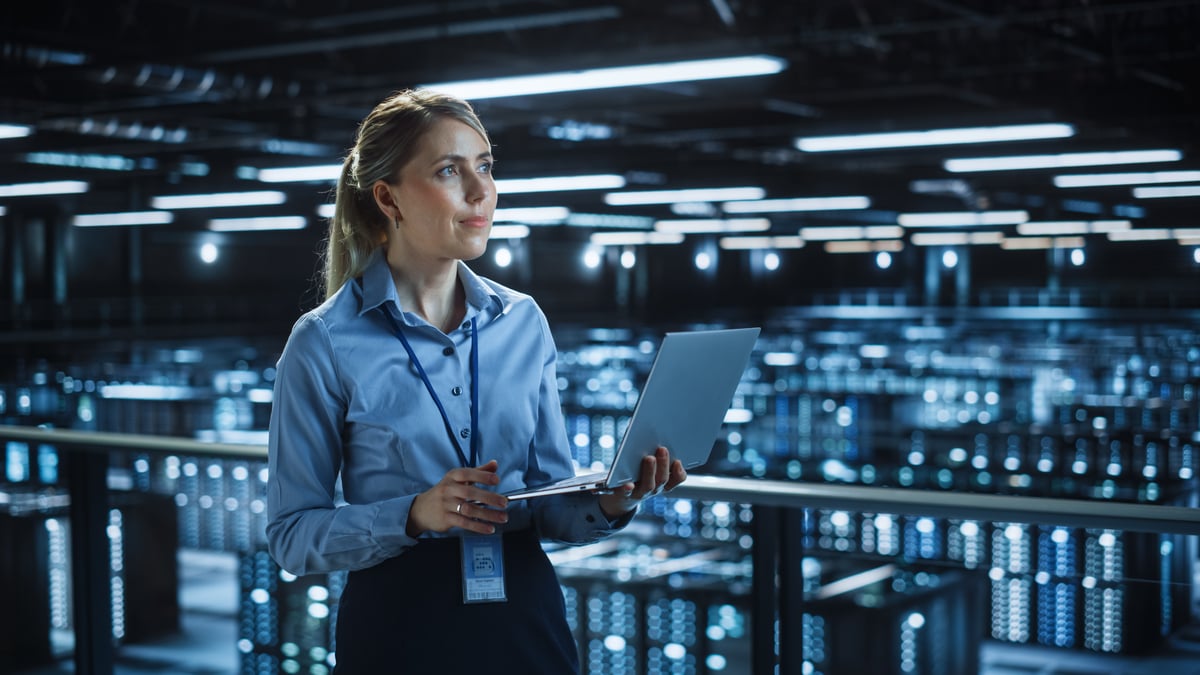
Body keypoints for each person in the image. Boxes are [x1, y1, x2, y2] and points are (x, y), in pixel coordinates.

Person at [266, 89, 687, 674]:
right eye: (449, 170)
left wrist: (617, 497)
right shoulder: (323, 343)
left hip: (525, 623)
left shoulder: (524, 322)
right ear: (388, 198)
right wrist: (414, 514)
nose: (480, 190)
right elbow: (291, 537)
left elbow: (550, 500)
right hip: (400, 629)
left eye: (485, 166)